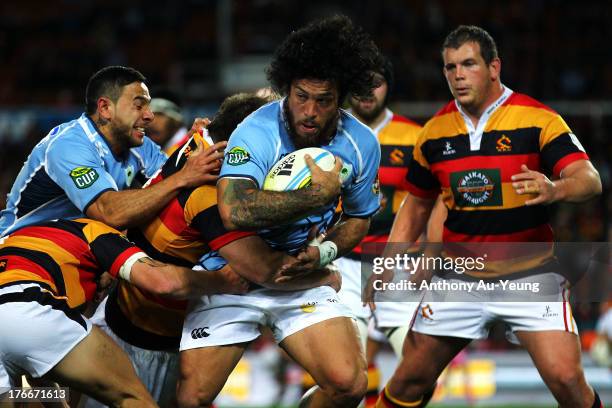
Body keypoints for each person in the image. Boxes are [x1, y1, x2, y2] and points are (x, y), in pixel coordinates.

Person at [373, 25, 603, 408]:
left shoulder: (538, 119)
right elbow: (416, 203)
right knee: (409, 381)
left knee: (567, 380)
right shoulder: (433, 134)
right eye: (449, 68)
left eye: (468, 64)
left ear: (494, 67)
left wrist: (554, 188)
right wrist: (388, 261)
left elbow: (589, 180)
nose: (458, 75)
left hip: (530, 274)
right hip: (458, 277)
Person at [80, 93, 340, 407]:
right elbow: (261, 271)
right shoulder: (211, 200)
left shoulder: (194, 146)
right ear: (235, 146)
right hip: (148, 343)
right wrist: (324, 276)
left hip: (117, 314)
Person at [178, 15, 383, 408]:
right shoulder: (255, 132)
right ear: (286, 88)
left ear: (341, 98)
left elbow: (359, 219)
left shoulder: (361, 144)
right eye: (301, 95)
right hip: (232, 273)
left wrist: (323, 253)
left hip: (300, 271)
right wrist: (315, 196)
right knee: (192, 398)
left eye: (323, 100)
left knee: (349, 385)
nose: (309, 110)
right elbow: (233, 210)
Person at [0, 217, 247, 407]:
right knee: (132, 398)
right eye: (102, 290)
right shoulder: (93, 231)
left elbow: (35, 362)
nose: (98, 297)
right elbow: (163, 283)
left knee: (25, 396)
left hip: (18, 322)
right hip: (27, 305)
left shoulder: (16, 240)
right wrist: (223, 281)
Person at [0, 66, 223, 237]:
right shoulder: (69, 145)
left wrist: (193, 148)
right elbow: (110, 212)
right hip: (23, 249)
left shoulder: (138, 144)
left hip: (80, 246)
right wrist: (182, 177)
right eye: (139, 105)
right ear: (105, 108)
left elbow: (171, 179)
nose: (150, 116)